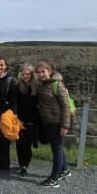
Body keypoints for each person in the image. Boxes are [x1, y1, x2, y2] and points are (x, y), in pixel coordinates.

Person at [35, 60, 71, 188]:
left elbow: (66, 107)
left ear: (49, 71)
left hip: (57, 123)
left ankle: (54, 179)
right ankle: (64, 170)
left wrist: (65, 126)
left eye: (43, 72)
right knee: (58, 148)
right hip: (49, 122)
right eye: (38, 72)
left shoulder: (57, 85)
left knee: (57, 149)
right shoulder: (42, 84)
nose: (41, 74)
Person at [15, 64, 39, 177]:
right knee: (19, 144)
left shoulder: (37, 87)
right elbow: (14, 102)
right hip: (19, 121)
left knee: (27, 145)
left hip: (32, 121)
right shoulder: (17, 86)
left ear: (31, 74)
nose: (25, 76)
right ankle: (22, 165)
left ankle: (25, 164)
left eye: (27, 74)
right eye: (23, 74)